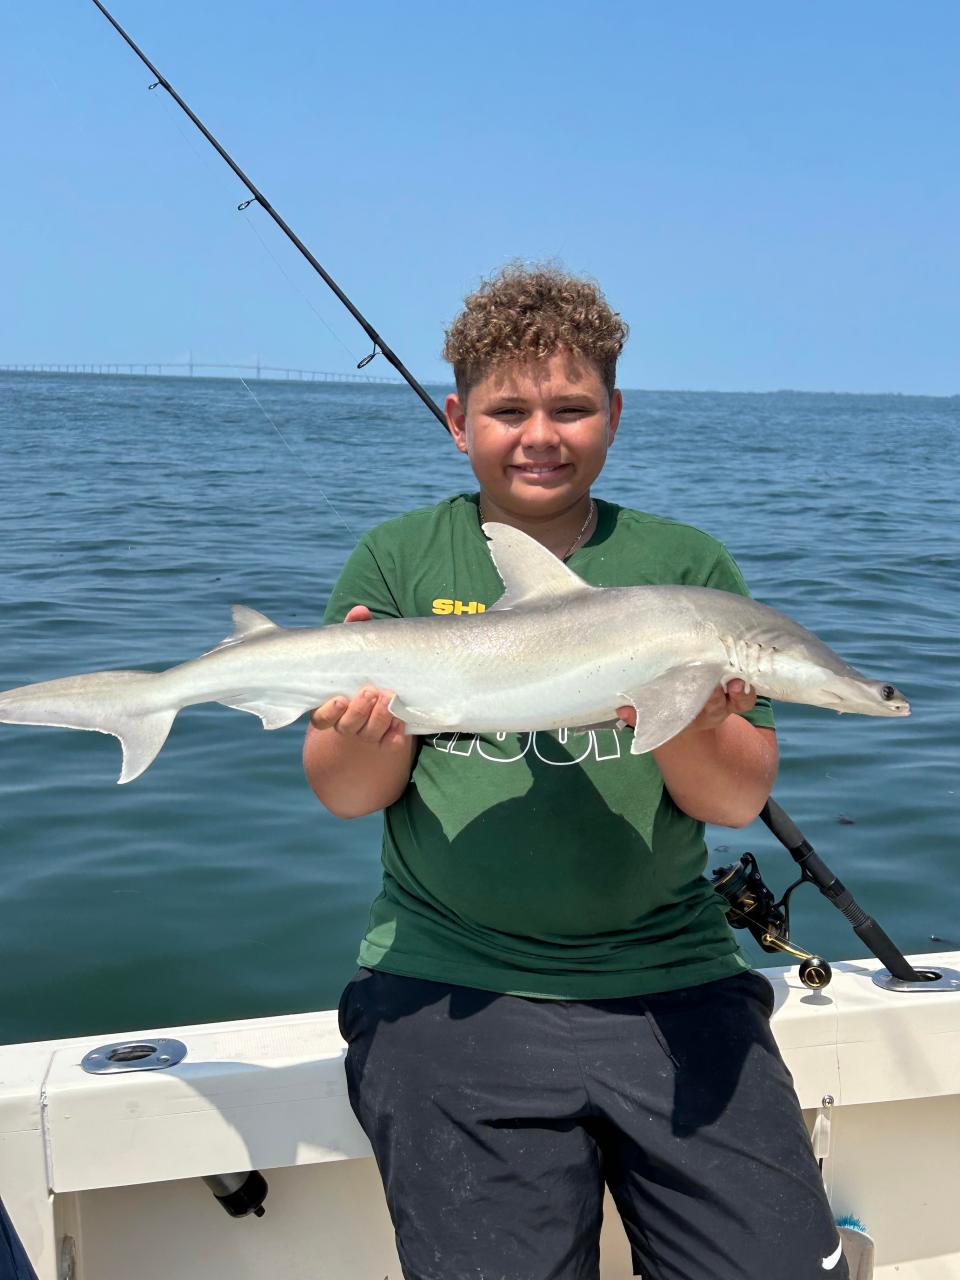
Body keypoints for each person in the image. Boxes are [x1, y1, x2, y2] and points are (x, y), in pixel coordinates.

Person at [303, 266, 847, 1280]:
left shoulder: (682, 563)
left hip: (672, 979)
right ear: (459, 419)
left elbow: (732, 799)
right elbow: (344, 790)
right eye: (508, 410)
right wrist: (368, 728)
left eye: (571, 407)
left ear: (615, 413)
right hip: (448, 980)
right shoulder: (402, 557)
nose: (540, 434)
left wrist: (675, 697)